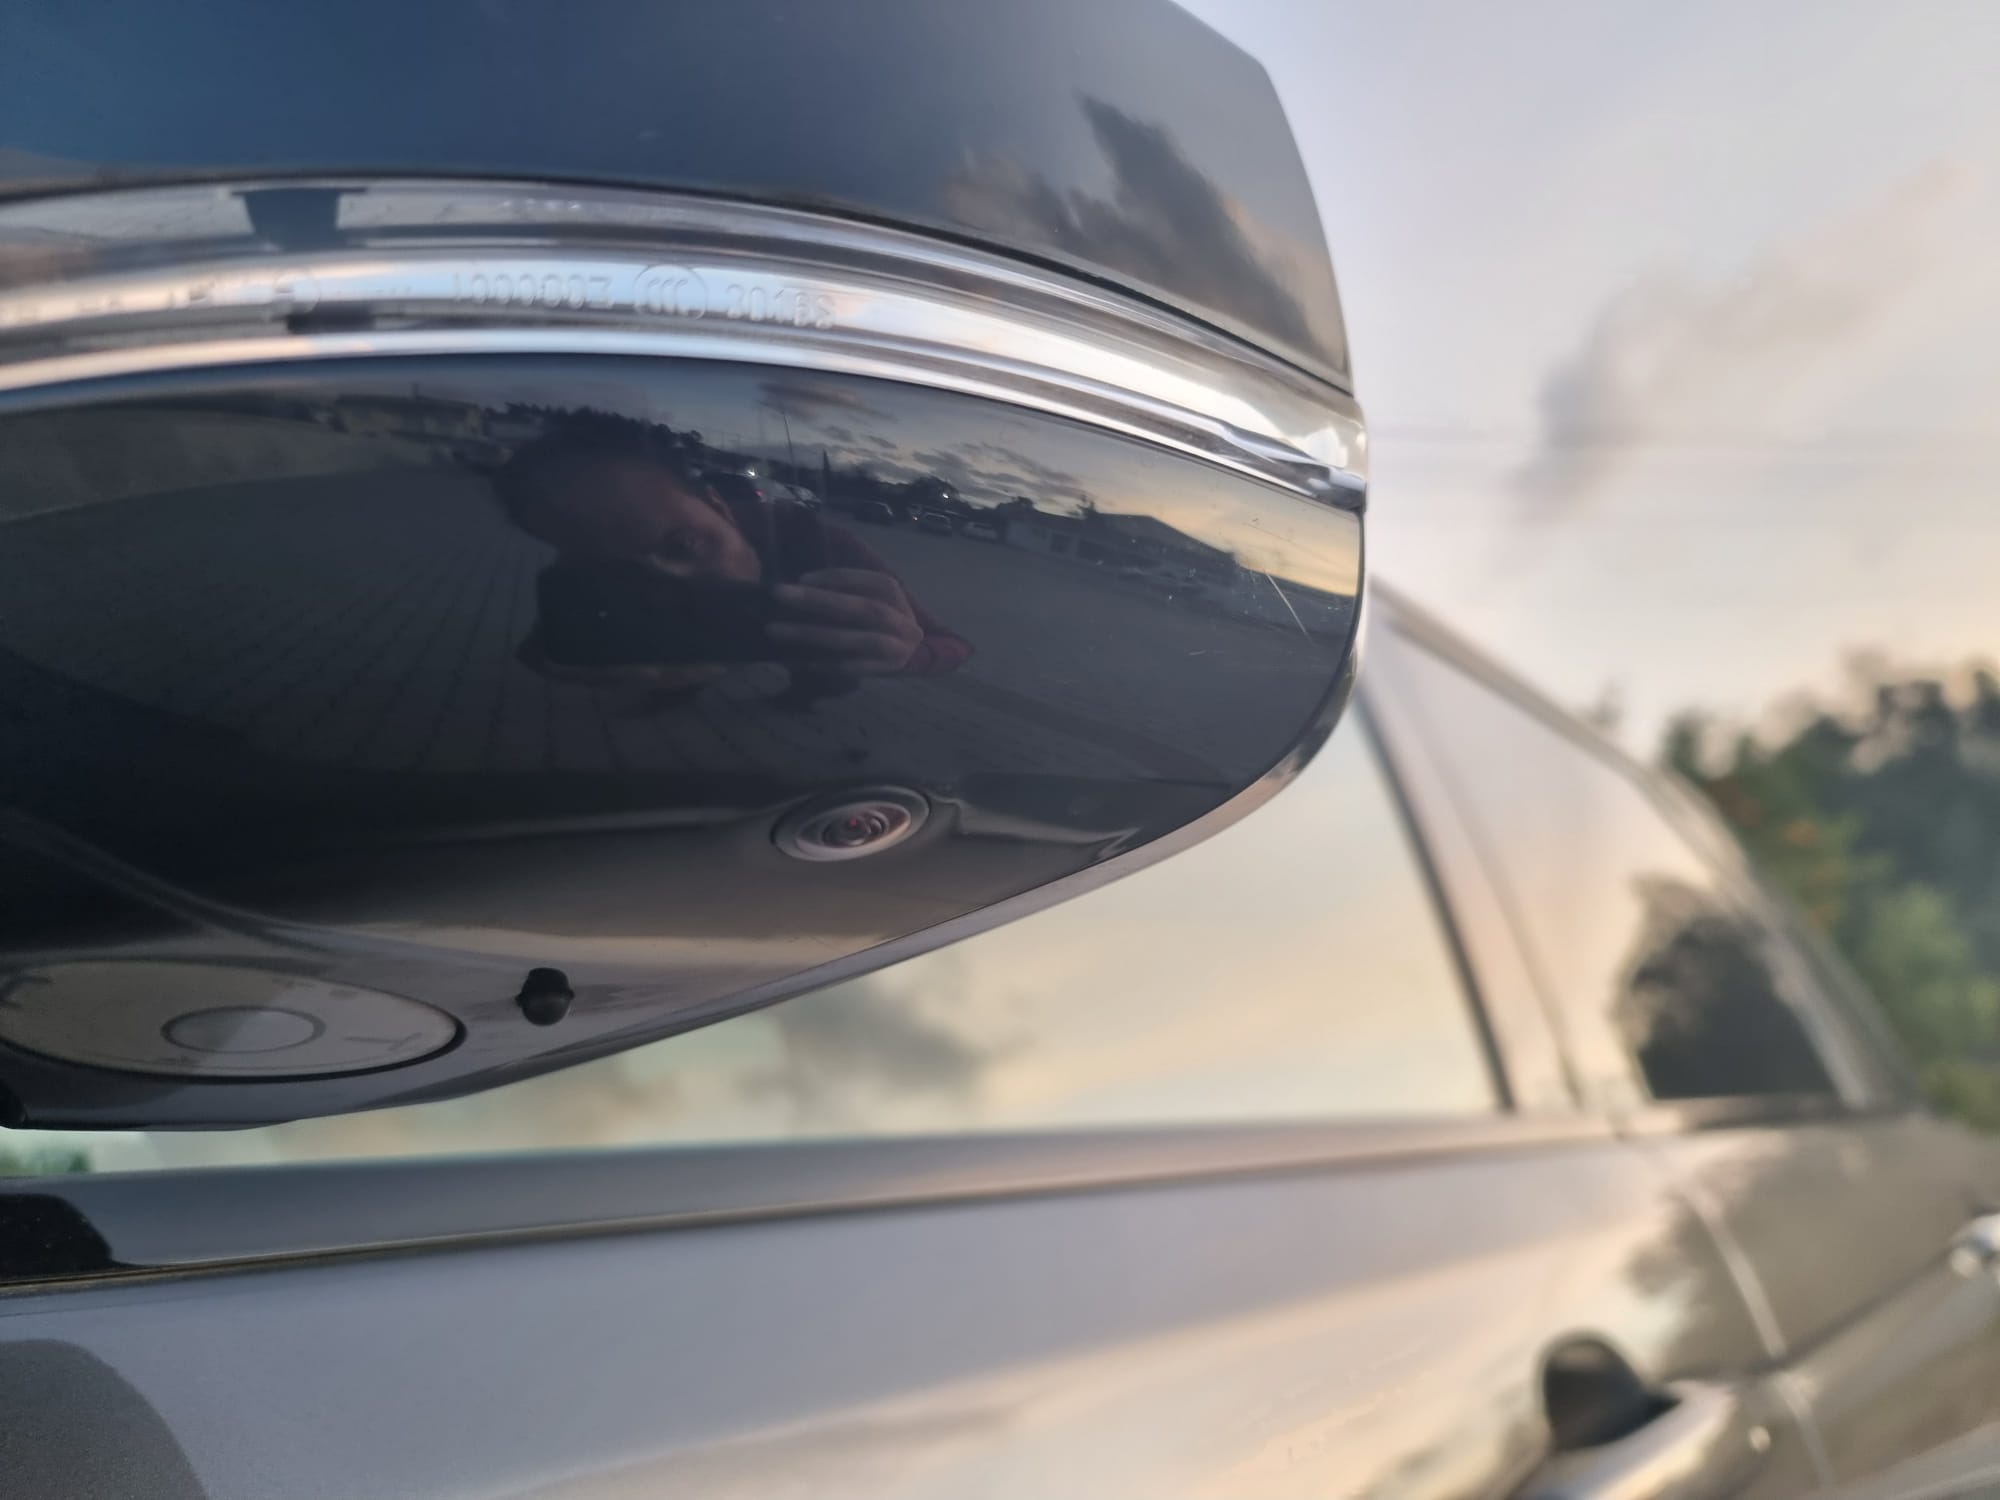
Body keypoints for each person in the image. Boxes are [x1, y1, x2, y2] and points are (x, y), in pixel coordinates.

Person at [492, 414, 970, 701]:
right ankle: (678, 691)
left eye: (684, 545)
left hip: (805, 643)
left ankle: (805, 694)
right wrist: (577, 659)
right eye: (614, 570)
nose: (671, 585)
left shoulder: (815, 541)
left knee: (832, 673)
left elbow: (949, 644)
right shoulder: (580, 577)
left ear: (718, 505)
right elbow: (541, 650)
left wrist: (902, 652)